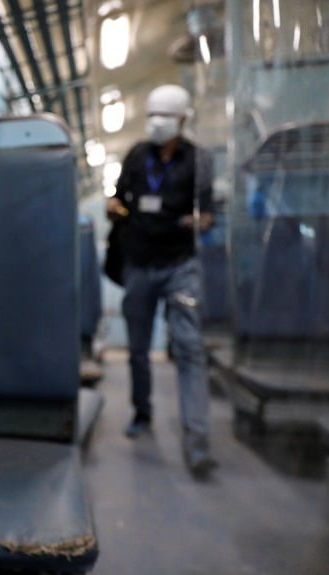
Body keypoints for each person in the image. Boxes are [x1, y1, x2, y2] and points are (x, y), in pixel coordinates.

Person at [106, 84, 217, 476]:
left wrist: (198, 221)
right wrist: (115, 207)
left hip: (179, 264)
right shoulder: (137, 154)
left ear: (183, 119)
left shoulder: (199, 160)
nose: (156, 124)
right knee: (138, 348)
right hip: (139, 262)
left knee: (188, 349)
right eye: (152, 116)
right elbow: (117, 198)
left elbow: (208, 212)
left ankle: (197, 441)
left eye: (164, 117)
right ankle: (142, 412)